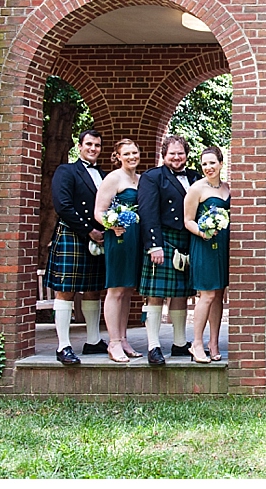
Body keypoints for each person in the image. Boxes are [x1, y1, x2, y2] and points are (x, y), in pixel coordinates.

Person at [44, 129, 109, 364]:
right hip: (73, 234)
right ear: (79, 146)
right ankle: (63, 346)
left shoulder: (103, 175)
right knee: (66, 289)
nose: (93, 149)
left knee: (94, 288)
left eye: (97, 145)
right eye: (89, 144)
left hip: (98, 236)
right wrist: (87, 230)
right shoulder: (66, 171)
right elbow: (62, 205)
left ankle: (93, 341)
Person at [138, 135, 201, 365]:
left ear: (187, 154)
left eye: (181, 153)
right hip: (163, 240)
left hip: (187, 240)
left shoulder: (195, 176)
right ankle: (153, 346)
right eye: (172, 153)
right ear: (164, 154)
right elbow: (147, 212)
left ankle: (179, 343)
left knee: (180, 294)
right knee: (156, 295)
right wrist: (154, 244)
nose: (177, 157)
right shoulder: (153, 177)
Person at [93, 138, 144, 363]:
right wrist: (112, 224)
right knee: (115, 290)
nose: (132, 156)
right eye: (127, 153)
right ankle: (113, 342)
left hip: (137, 239)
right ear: (118, 156)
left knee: (128, 290)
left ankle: (123, 339)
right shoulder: (113, 178)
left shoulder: (141, 180)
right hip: (119, 238)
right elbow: (99, 211)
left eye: (135, 152)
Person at [184, 147, 231, 364]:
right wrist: (203, 232)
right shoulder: (196, 189)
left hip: (222, 246)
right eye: (204, 164)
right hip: (204, 244)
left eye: (212, 163)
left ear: (221, 163)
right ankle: (196, 343)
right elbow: (188, 220)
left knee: (219, 294)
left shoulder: (227, 188)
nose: (208, 168)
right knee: (207, 295)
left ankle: (213, 342)